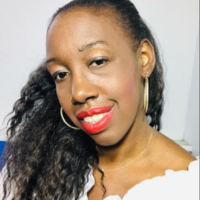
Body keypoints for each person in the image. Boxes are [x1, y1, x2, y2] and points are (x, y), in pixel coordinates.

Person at [0, 0, 199, 199]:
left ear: (144, 59)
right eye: (60, 74)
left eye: (97, 61)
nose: (78, 93)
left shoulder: (188, 187)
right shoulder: (34, 162)